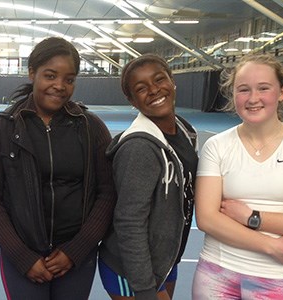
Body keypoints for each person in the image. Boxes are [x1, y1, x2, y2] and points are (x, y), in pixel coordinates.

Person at [0, 36, 117, 300]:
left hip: (76, 261)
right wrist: (22, 257)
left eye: (69, 79)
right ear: (32, 73)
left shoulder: (91, 128)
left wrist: (75, 250)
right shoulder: (4, 128)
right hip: (24, 258)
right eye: (51, 76)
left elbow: (107, 194)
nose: (60, 86)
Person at [193, 53, 283, 299]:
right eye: (243, 90)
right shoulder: (217, 146)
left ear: (282, 92)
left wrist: (252, 217)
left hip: (276, 280)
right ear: (233, 95)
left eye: (263, 88)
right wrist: (272, 245)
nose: (253, 99)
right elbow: (207, 219)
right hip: (215, 274)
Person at [97, 54, 198, 300]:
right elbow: (129, 222)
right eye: (141, 88)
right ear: (132, 100)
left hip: (163, 261)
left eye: (159, 80)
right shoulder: (139, 149)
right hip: (130, 269)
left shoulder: (185, 131)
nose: (153, 90)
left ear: (172, 81)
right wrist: (144, 289)